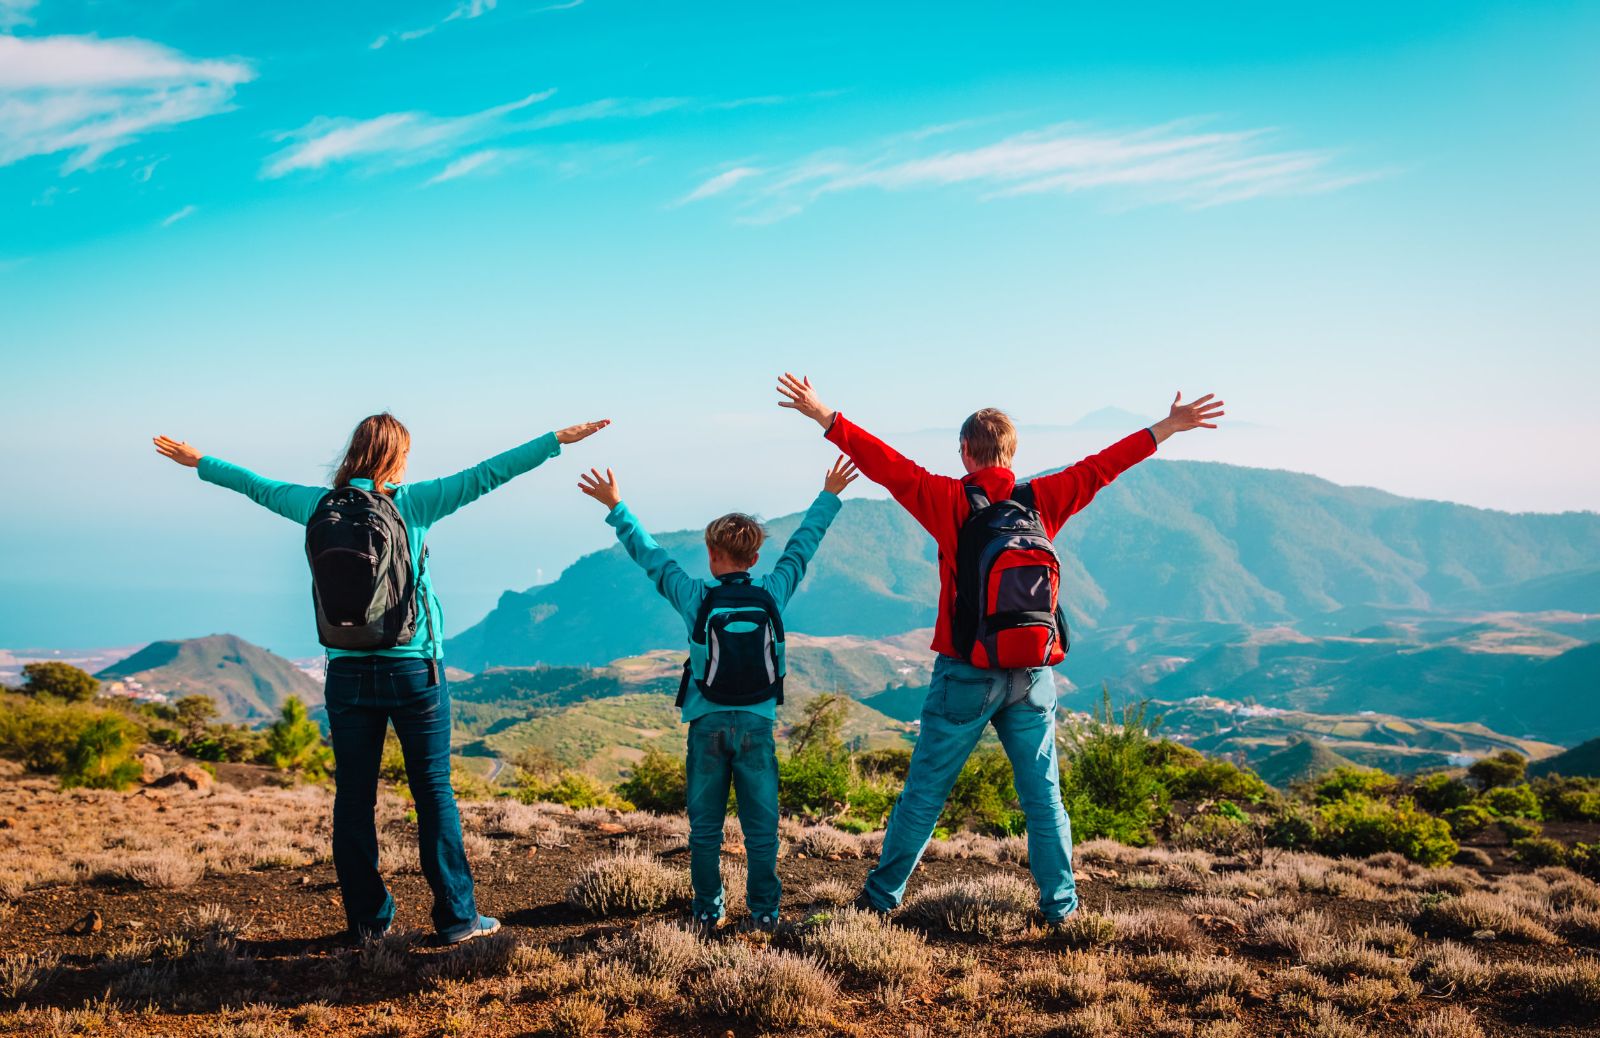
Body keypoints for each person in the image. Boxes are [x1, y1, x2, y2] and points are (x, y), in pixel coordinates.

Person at [775, 374, 1223, 923]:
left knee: (924, 796)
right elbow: (1102, 466)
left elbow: (884, 463)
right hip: (1034, 673)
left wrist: (824, 415)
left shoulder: (946, 498)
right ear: (1014, 453)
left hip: (966, 673)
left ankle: (879, 900)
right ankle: (1061, 909)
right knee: (1044, 798)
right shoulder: (1043, 500)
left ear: (965, 452)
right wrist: (1168, 428)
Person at [152, 414, 610, 944]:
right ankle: (459, 919)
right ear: (397, 457)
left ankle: (368, 922)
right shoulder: (411, 504)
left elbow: (257, 486)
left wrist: (199, 462)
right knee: (433, 792)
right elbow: (489, 474)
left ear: (355, 451)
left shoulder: (317, 505)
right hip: (413, 669)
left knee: (353, 798)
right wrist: (555, 441)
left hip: (346, 674)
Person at [576, 456, 859, 932]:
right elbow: (801, 549)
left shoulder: (695, 597)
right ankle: (765, 912)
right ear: (754, 559)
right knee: (762, 831)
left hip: (705, 724)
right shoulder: (773, 590)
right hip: (757, 724)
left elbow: (652, 559)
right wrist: (829, 495)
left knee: (705, 830)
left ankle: (709, 910)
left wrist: (616, 505)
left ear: (711, 555)